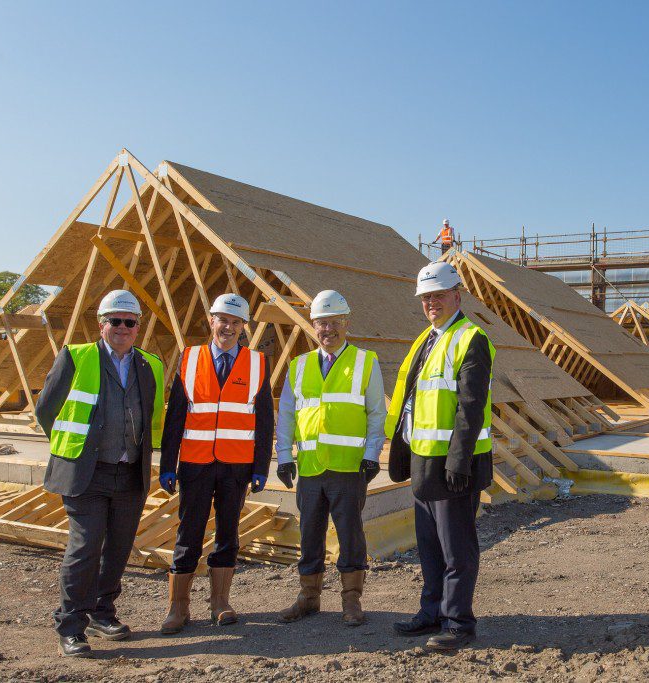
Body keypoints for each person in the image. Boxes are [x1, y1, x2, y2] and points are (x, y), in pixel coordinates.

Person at [35, 289, 165, 658]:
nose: (123, 327)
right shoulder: (76, 358)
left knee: (119, 547)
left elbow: (152, 417)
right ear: (101, 323)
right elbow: (47, 411)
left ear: (138, 326)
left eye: (130, 322)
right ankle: (71, 624)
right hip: (85, 474)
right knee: (85, 545)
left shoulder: (150, 364)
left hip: (128, 473)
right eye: (115, 321)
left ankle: (102, 611)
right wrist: (71, 450)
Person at [386, 262, 495, 650]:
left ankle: (459, 624)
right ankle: (431, 612)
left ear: (456, 296)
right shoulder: (426, 339)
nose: (431, 302)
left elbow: (471, 407)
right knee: (430, 547)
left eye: (438, 295)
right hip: (424, 461)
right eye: (426, 297)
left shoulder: (471, 338)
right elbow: (410, 403)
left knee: (457, 550)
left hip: (453, 466)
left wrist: (458, 461)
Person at [157, 293, 274, 633]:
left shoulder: (256, 363)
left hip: (236, 466)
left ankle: (220, 603)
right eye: (223, 320)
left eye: (236, 322)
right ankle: (178, 609)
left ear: (243, 327)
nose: (228, 327)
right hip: (195, 463)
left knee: (228, 534)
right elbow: (175, 416)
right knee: (188, 533)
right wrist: (168, 464)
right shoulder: (190, 359)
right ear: (211, 321)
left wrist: (260, 467)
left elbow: (263, 421)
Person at [275, 290, 386, 626]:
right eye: (322, 323)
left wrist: (371, 455)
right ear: (313, 325)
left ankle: (351, 600)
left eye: (334, 322)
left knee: (350, 534)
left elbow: (376, 414)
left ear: (346, 323)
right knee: (309, 533)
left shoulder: (366, 362)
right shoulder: (299, 365)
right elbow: (287, 415)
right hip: (310, 468)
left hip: (348, 468)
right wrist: (283, 456)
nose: (328, 329)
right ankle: (308, 597)